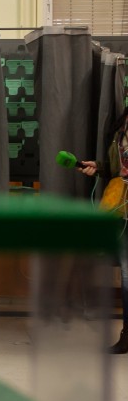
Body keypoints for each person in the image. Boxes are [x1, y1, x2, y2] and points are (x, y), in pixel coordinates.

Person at [78, 107, 128, 354]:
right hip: (120, 206)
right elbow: (117, 166)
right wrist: (98, 167)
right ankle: (127, 335)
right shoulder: (123, 126)